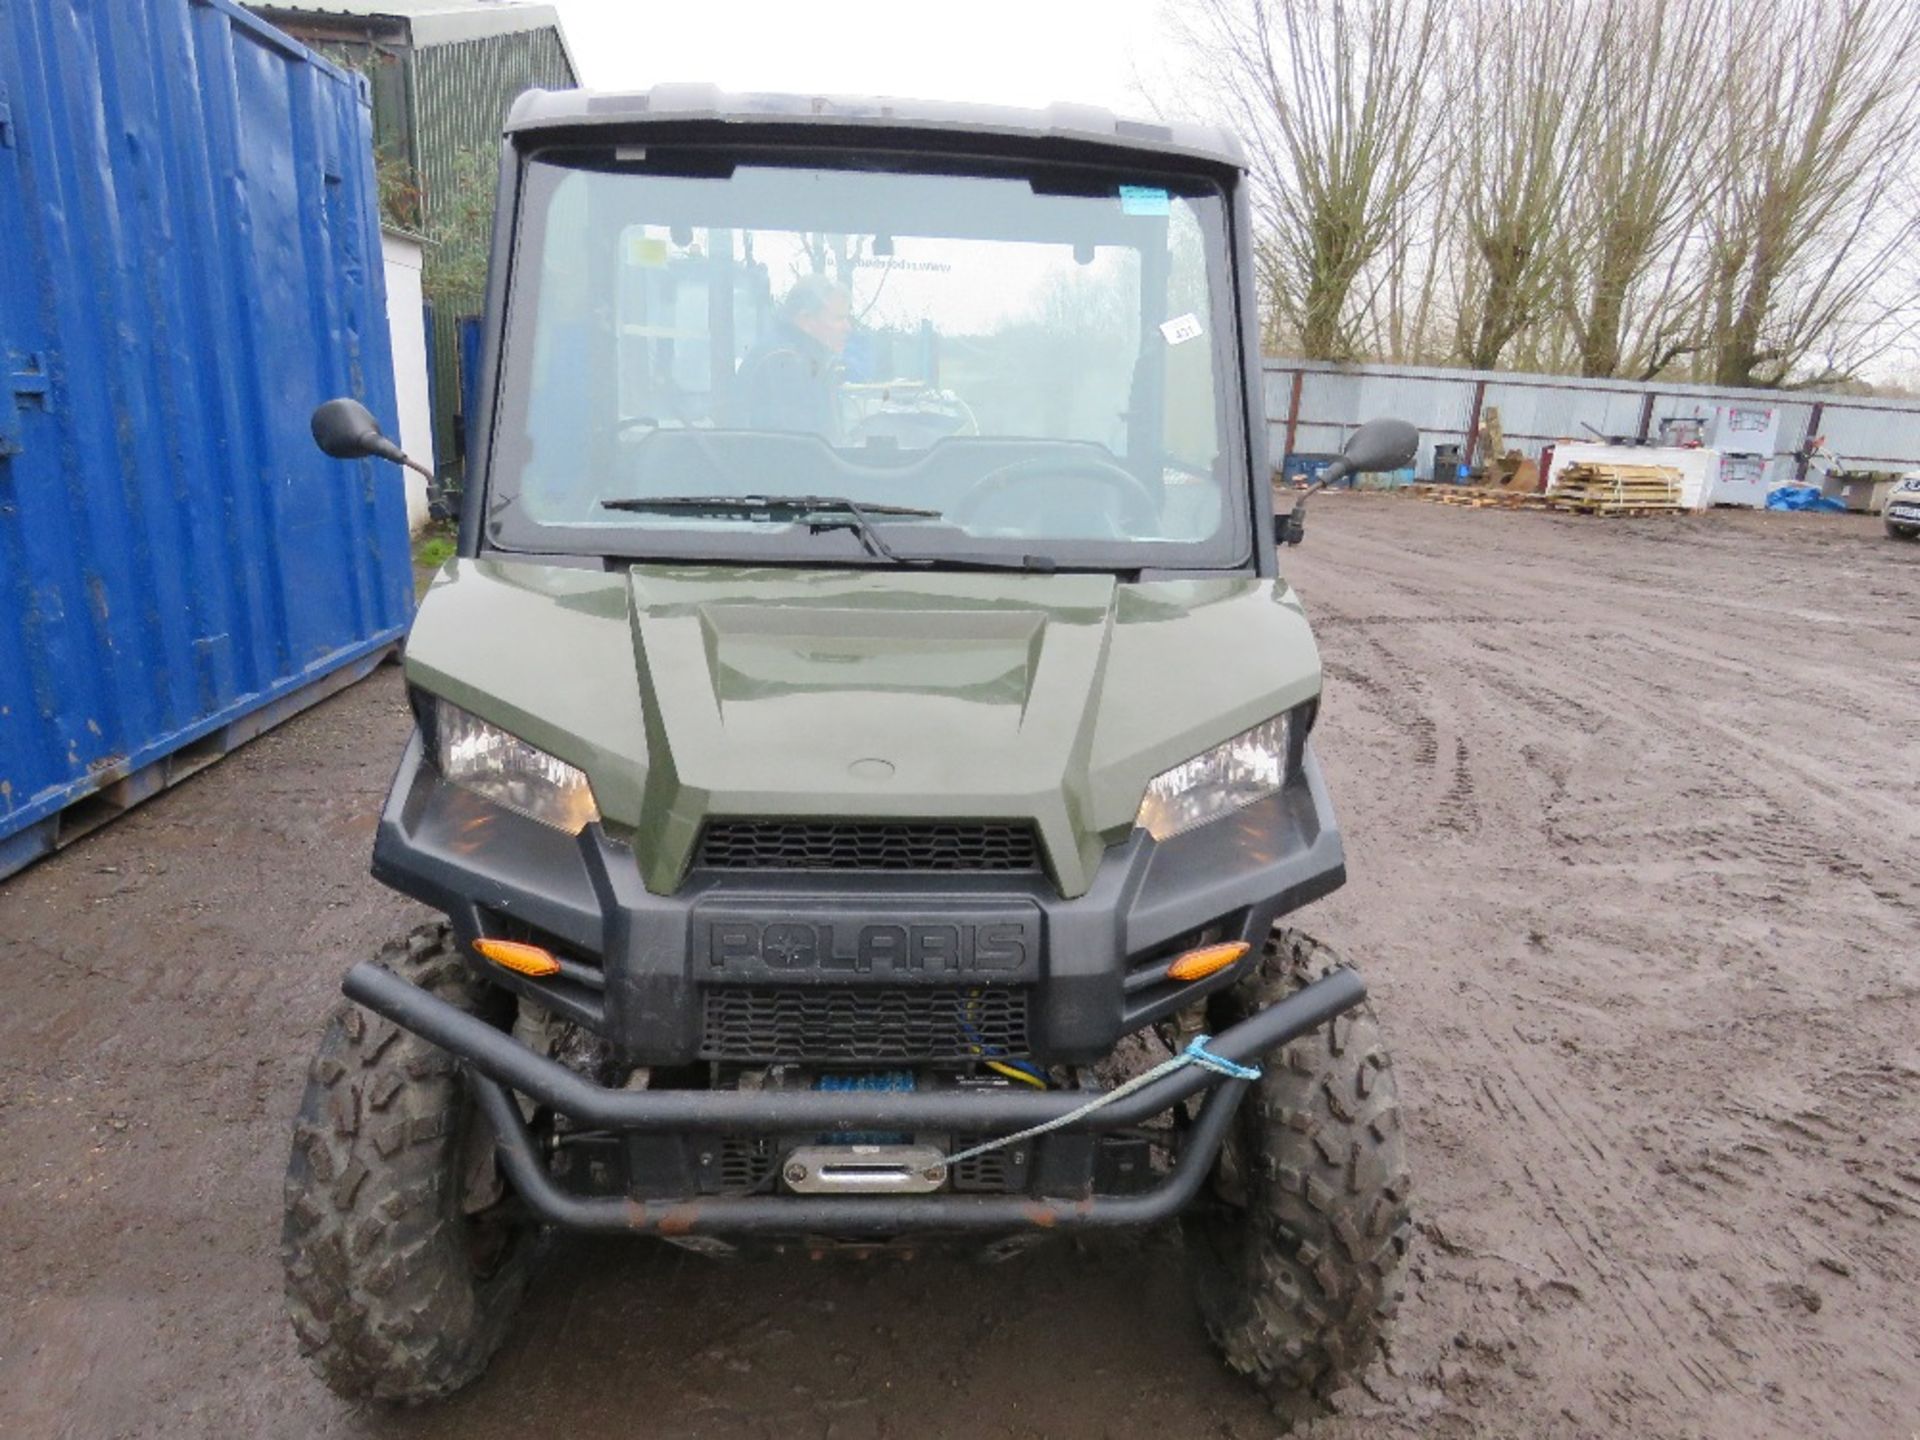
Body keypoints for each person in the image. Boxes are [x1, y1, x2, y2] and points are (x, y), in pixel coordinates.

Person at [730, 275, 851, 438]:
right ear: (806, 319)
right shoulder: (783, 362)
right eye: (839, 319)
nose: (847, 328)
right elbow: (799, 449)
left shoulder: (808, 359)